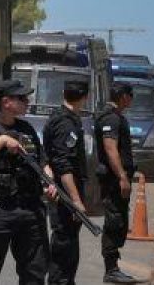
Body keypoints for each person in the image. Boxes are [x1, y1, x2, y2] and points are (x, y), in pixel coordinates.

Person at [0, 78, 59, 285]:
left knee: (34, 273)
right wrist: (0, 142)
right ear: (6, 102)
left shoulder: (27, 129)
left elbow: (43, 162)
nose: (27, 101)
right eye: (22, 98)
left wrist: (49, 181)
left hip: (29, 210)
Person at [95, 83, 145, 284]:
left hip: (116, 179)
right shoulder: (110, 118)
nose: (132, 99)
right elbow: (110, 149)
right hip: (112, 180)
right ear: (123, 97)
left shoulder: (116, 117)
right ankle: (111, 269)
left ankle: (114, 267)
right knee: (114, 221)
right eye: (131, 95)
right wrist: (122, 177)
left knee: (119, 221)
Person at [44, 79, 91, 285]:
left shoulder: (63, 118)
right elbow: (64, 166)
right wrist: (75, 200)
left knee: (69, 246)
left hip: (64, 191)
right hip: (64, 194)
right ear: (84, 98)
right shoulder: (65, 123)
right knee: (64, 247)